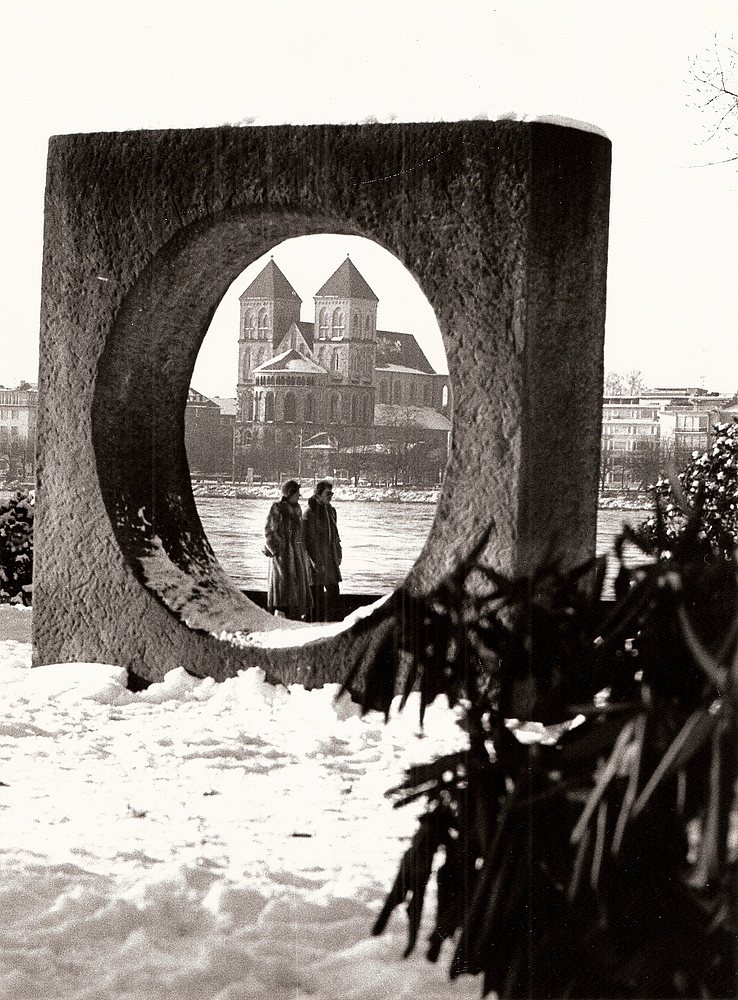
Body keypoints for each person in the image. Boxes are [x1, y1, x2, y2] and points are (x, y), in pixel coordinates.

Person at [263, 480, 312, 621]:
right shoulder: (276, 508)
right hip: (282, 557)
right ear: (290, 493)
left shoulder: (297, 508)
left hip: (296, 554)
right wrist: (279, 548)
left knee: (295, 592)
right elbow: (269, 531)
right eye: (297, 492)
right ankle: (280, 620)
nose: (299, 495)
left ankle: (292, 619)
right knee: (282, 593)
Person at [304, 479, 342, 622]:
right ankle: (315, 624)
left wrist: (338, 551)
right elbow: (307, 542)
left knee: (334, 591)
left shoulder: (331, 511)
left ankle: (329, 622)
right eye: (328, 493)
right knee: (316, 594)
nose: (330, 496)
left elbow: (335, 534)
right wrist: (315, 561)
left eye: (331, 493)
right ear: (318, 495)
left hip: (329, 558)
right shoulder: (309, 513)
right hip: (316, 560)